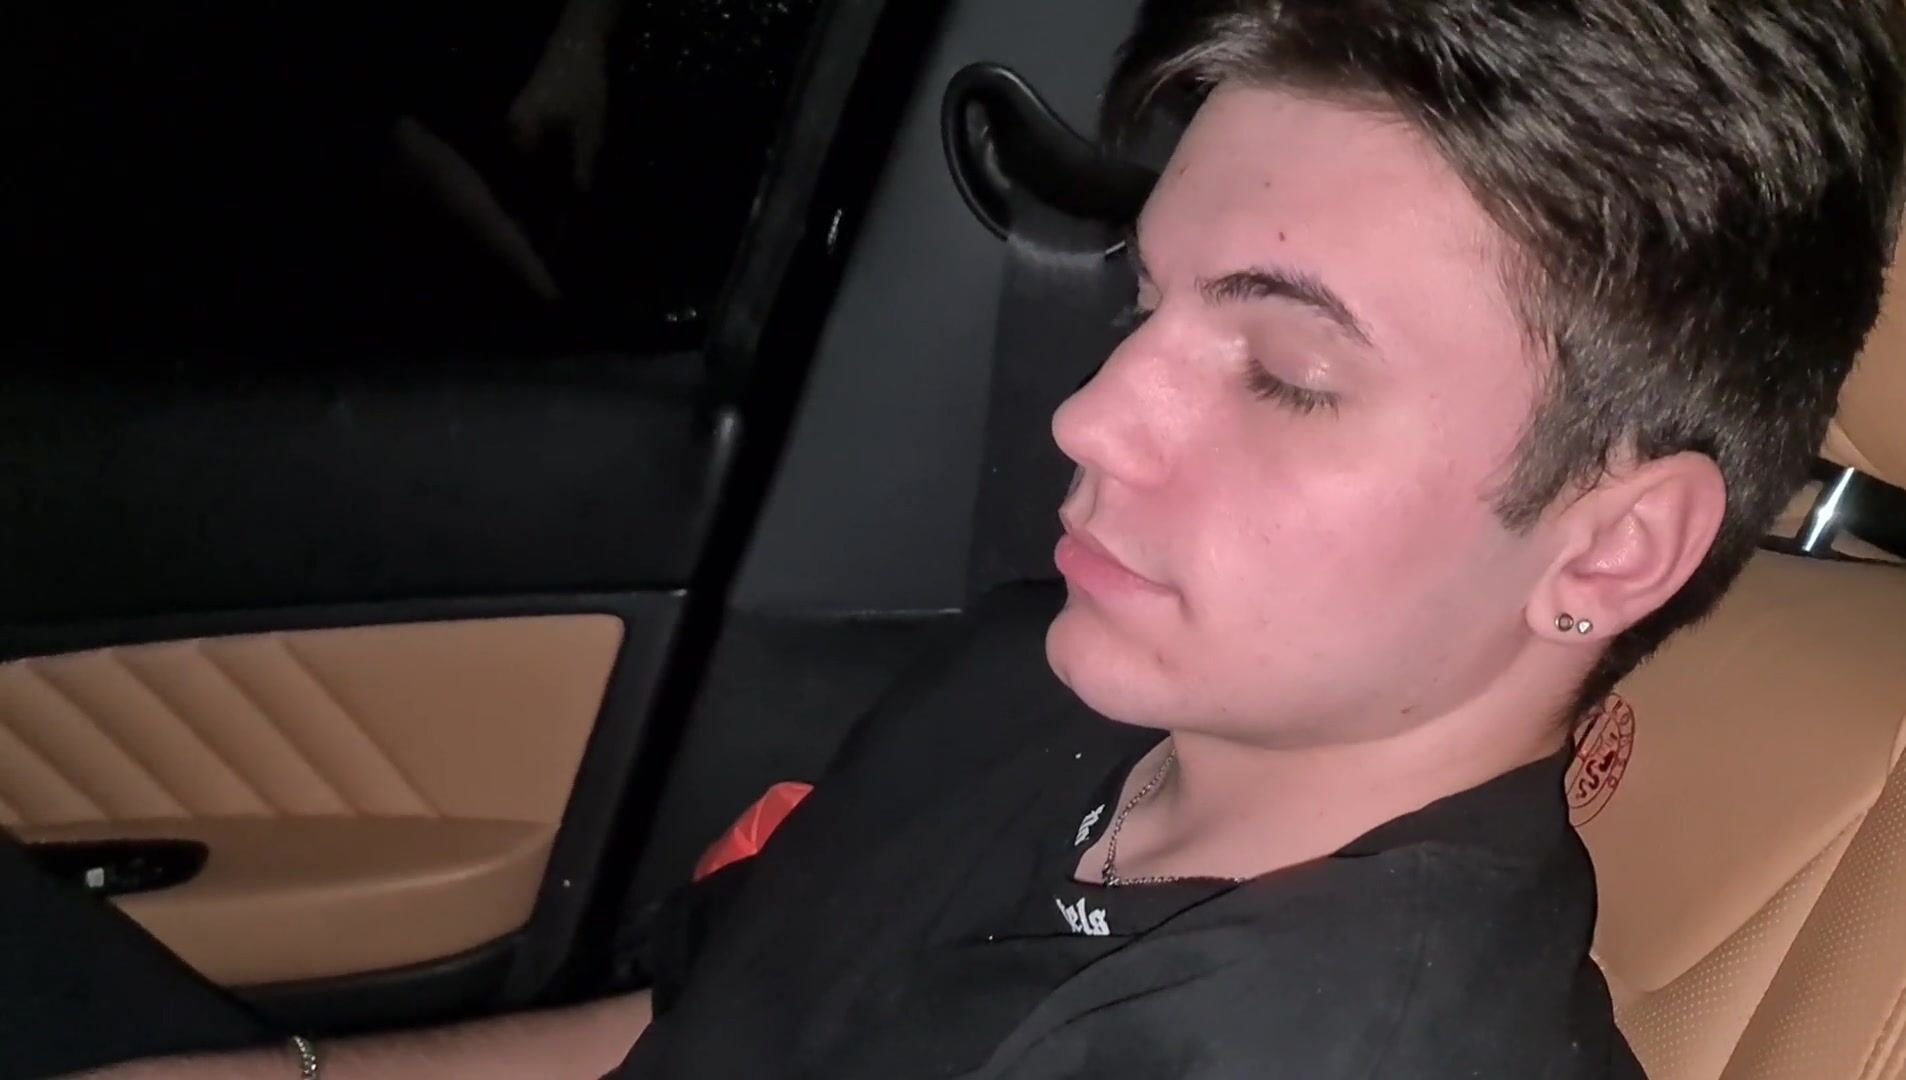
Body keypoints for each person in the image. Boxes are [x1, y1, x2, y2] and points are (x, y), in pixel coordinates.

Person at [67, 0, 1906, 1075]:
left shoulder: (1301, 1042)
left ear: (1605, 553)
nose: (1091, 418)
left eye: (1282, 376)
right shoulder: (1058, 684)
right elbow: (692, 1033)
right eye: (1149, 301)